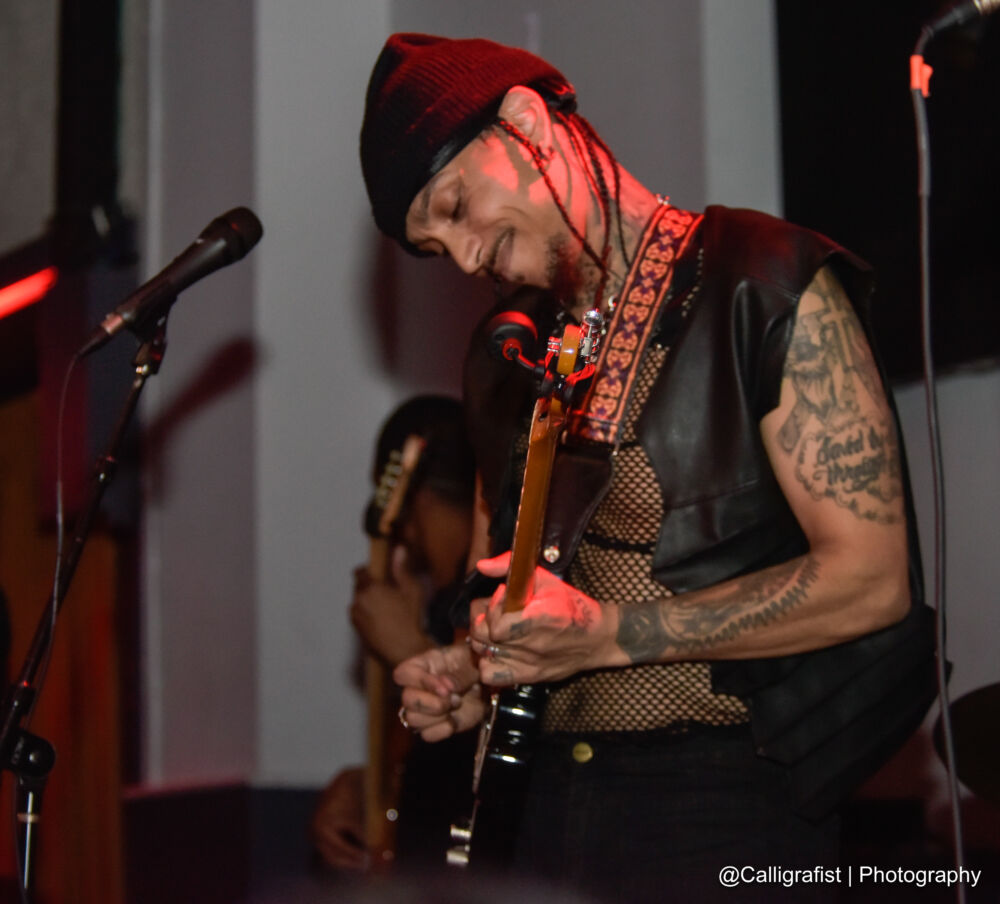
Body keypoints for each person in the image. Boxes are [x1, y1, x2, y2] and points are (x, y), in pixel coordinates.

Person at [358, 34, 937, 902]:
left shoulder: (763, 283)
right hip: (536, 808)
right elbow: (501, 586)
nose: (468, 257)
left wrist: (610, 635)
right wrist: (469, 671)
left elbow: (873, 582)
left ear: (526, 126)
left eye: (456, 207)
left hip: (718, 807)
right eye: (438, 248)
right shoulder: (505, 353)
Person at [310, 395, 479, 874]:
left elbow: (486, 760)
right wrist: (366, 784)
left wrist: (407, 648)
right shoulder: (435, 605)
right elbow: (426, 767)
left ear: (405, 499)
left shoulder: (487, 600)